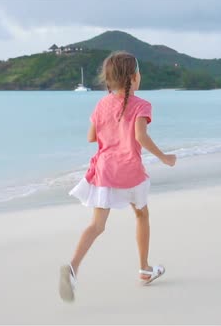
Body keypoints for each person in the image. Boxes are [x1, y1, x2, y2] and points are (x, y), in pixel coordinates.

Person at [59, 51, 177, 302]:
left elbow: (92, 137)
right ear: (134, 78)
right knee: (141, 213)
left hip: (104, 170)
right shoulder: (142, 105)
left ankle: (73, 267)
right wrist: (165, 157)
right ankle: (144, 269)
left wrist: (110, 130)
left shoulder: (102, 104)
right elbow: (140, 137)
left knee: (97, 225)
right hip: (129, 172)